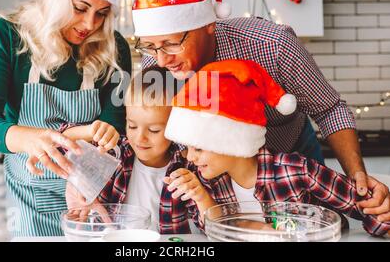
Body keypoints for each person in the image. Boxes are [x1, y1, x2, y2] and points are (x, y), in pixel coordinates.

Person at [132, 0, 390, 221]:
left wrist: (357, 176)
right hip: (216, 173)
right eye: (151, 46)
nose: (162, 59)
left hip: (293, 156)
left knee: (319, 225)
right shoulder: (157, 66)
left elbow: (329, 109)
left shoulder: (272, 45)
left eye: (172, 43)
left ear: (208, 25)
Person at [0, 0, 131, 236]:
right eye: (80, 8)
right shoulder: (7, 36)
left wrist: (97, 147)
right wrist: (31, 139)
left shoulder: (114, 47)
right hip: (28, 200)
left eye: (101, 13)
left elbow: (116, 123)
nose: (90, 24)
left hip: (89, 196)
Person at [164, 59, 390, 237]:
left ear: (231, 140)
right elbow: (211, 232)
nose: (190, 158)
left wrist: (380, 217)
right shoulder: (206, 182)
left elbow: (370, 211)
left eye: (199, 149)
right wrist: (201, 198)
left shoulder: (297, 170)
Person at [63, 67, 210, 234]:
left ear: (176, 128)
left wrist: (201, 197)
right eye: (132, 126)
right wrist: (90, 131)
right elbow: (60, 142)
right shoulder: (114, 154)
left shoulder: (187, 169)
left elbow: (210, 228)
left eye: (154, 130)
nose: (140, 138)